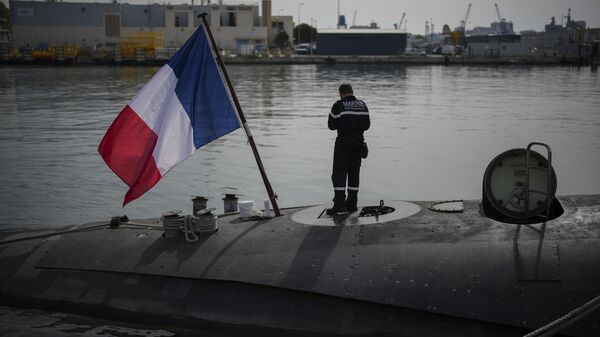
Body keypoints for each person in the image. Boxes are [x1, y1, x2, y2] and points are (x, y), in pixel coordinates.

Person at [326, 83, 370, 215]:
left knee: (339, 173)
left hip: (343, 143)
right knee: (354, 173)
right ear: (352, 91)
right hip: (358, 144)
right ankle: (352, 204)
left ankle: (339, 205)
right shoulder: (362, 105)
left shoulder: (338, 105)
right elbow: (367, 125)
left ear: (341, 93)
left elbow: (331, 125)